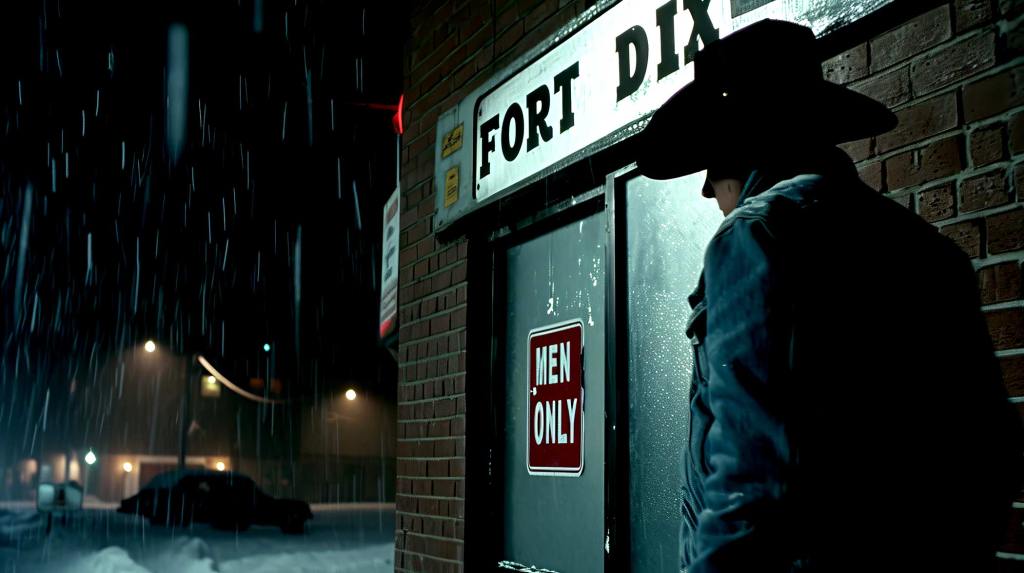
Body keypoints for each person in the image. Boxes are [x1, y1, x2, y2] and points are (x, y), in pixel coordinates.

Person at [634, 19, 1023, 572]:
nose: (706, 185)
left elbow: (752, 484)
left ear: (749, 143)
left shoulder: (756, 236)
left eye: (713, 156)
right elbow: (992, 452)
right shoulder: (932, 252)